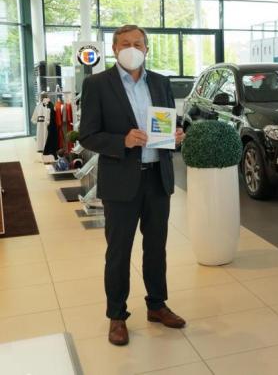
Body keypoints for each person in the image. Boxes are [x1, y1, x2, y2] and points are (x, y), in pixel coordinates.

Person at [79, 24, 187, 346]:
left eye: (137, 44)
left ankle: (157, 305)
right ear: (114, 49)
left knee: (156, 247)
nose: (131, 48)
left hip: (157, 177)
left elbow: (168, 122)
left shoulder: (161, 82)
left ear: (146, 49)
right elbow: (88, 135)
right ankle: (117, 315)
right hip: (121, 182)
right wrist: (122, 141)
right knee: (119, 251)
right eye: (124, 43)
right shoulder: (98, 84)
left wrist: (176, 135)